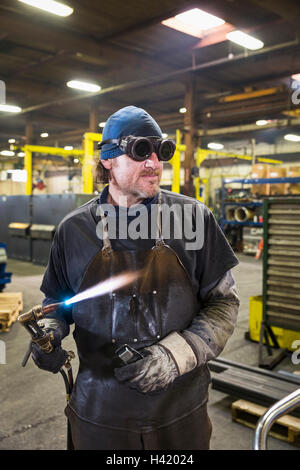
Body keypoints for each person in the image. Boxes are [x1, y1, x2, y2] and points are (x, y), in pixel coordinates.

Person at [32, 105, 240, 450]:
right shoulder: (74, 230)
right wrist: (49, 333)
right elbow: (55, 304)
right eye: (140, 151)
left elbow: (223, 303)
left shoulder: (194, 219)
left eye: (161, 151)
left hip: (180, 414)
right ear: (108, 160)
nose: (154, 163)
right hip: (100, 415)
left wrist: (175, 356)